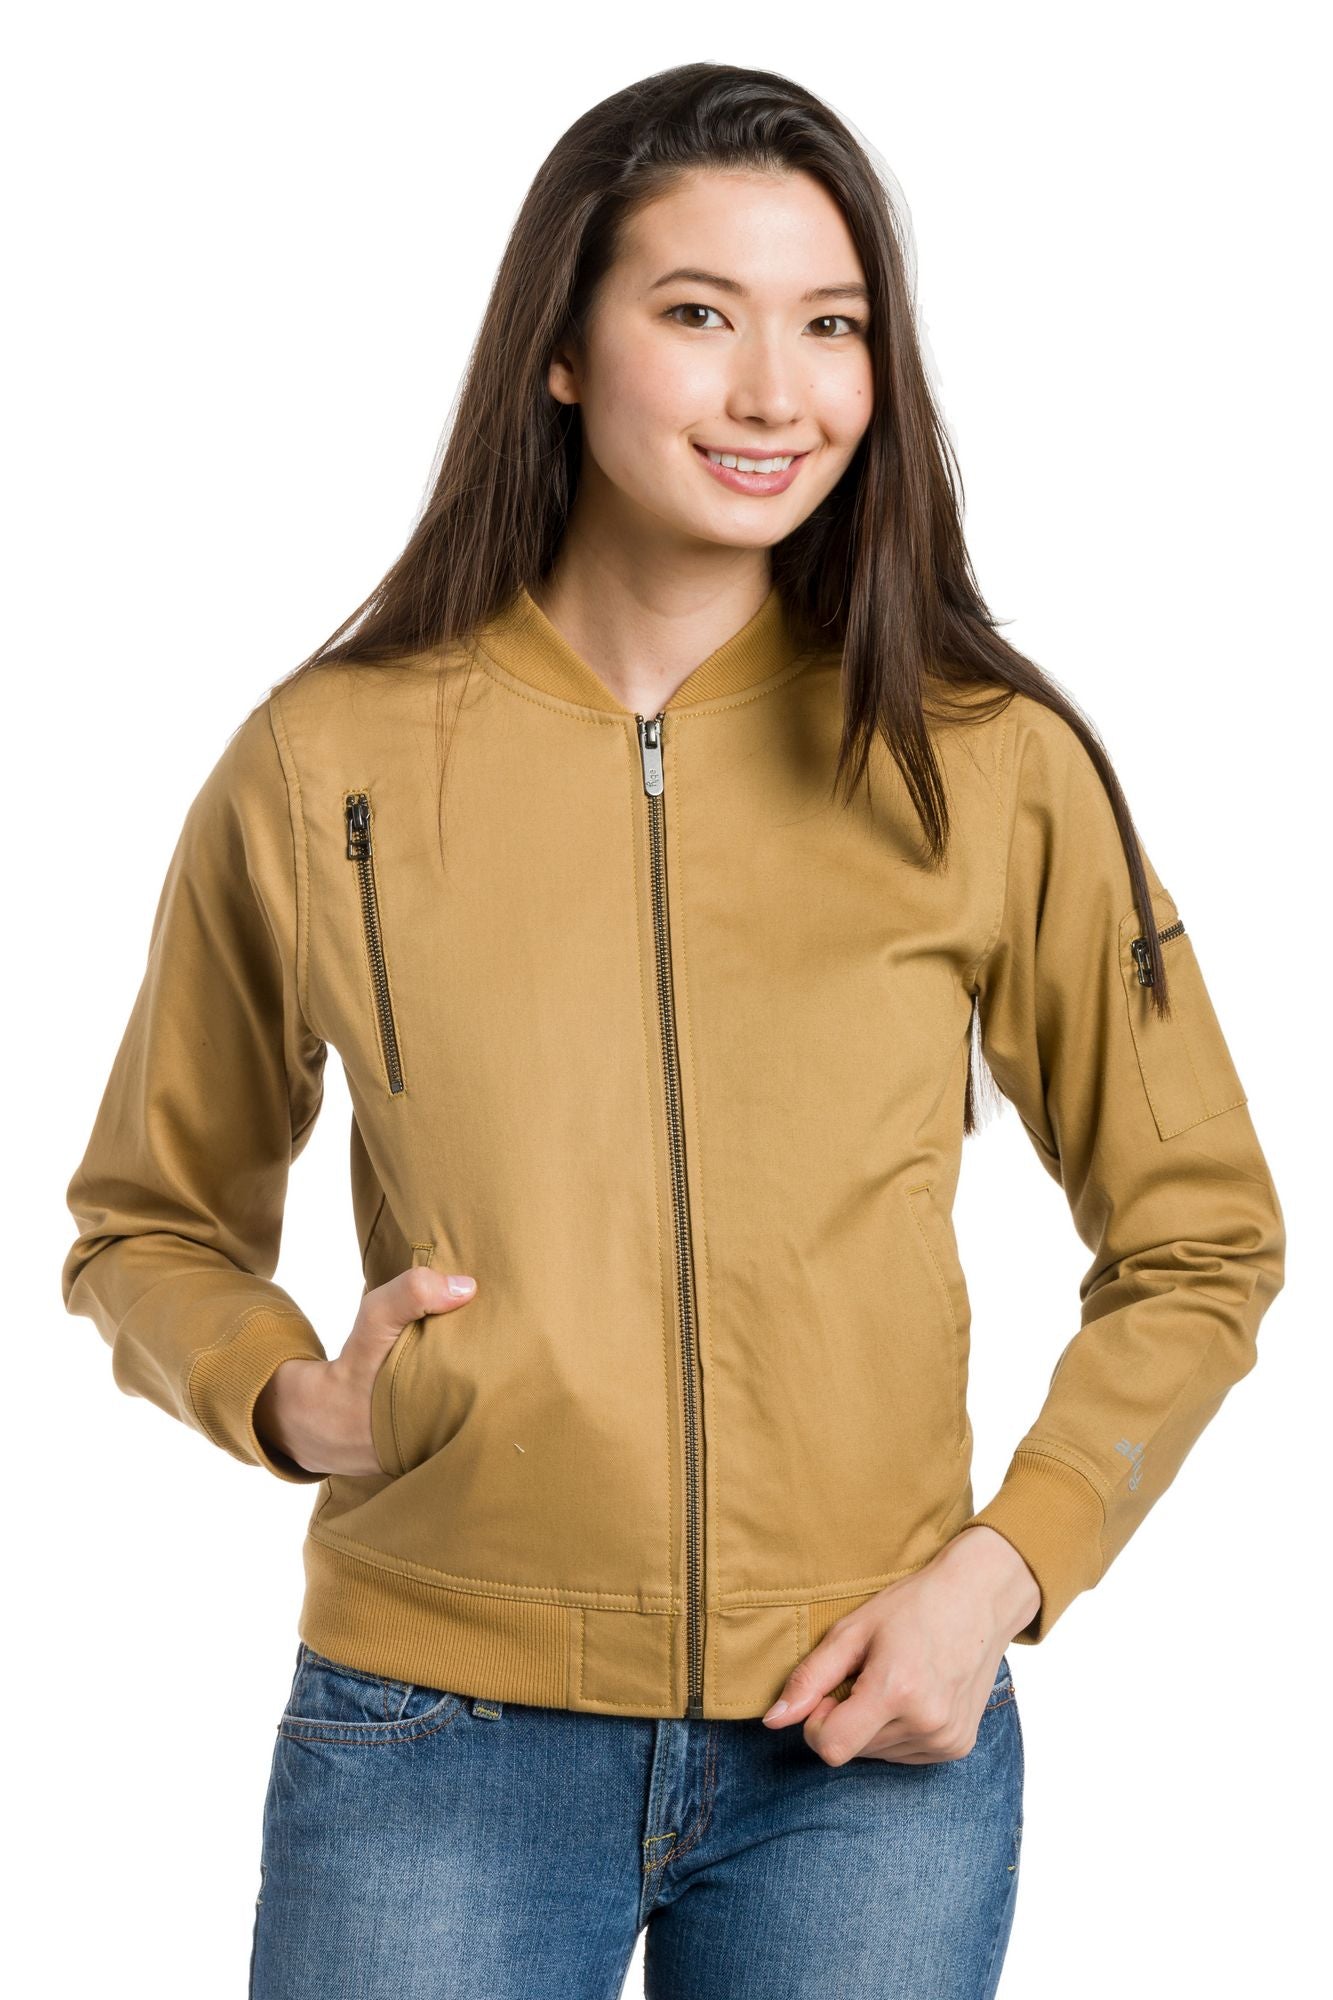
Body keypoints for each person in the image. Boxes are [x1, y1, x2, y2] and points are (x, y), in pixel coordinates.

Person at [60, 60, 1285, 2000]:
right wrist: (291, 1398)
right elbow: (144, 1221)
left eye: (833, 326)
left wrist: (1003, 1573)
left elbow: (1201, 1235)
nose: (775, 393)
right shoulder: (329, 760)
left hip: (866, 1740)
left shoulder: (983, 760)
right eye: (700, 313)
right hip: (436, 1729)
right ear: (560, 348)